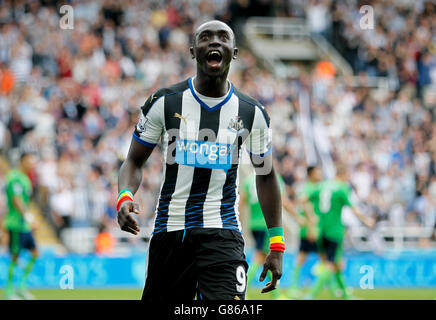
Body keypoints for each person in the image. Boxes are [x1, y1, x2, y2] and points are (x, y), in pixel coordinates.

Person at [116, 20, 284, 301]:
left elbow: (265, 176)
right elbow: (133, 161)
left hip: (223, 234)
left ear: (235, 51)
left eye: (223, 37)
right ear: (193, 51)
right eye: (206, 37)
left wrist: (277, 245)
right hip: (171, 232)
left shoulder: (252, 113)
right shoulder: (164, 102)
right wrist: (124, 196)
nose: (215, 42)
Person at [306, 165, 374, 300]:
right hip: (334, 231)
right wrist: (366, 219)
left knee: (336, 263)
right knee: (330, 264)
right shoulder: (342, 189)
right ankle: (310, 295)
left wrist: (311, 218)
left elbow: (305, 200)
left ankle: (346, 295)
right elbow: (353, 209)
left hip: (320, 230)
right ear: (343, 174)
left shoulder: (321, 185)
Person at [240, 170, 288, 299]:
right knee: (261, 257)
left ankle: (275, 294)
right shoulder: (273, 177)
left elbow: (242, 201)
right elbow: (282, 200)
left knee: (267, 259)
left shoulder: (249, 179)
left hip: (253, 224)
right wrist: (298, 217)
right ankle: (241, 290)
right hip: (267, 224)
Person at [3, 152, 38, 300]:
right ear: (22, 160)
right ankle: (9, 291)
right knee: (14, 256)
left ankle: (21, 286)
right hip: (15, 223)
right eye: (30, 160)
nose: (32, 164)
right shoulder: (14, 177)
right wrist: (29, 217)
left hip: (23, 225)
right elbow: (16, 200)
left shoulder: (26, 179)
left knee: (35, 253)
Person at [286, 165, 322, 299]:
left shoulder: (307, 187)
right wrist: (311, 224)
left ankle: (294, 287)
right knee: (327, 259)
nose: (320, 174)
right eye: (318, 172)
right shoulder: (312, 188)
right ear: (311, 174)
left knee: (302, 258)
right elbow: (304, 203)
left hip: (308, 228)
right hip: (312, 229)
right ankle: (300, 288)